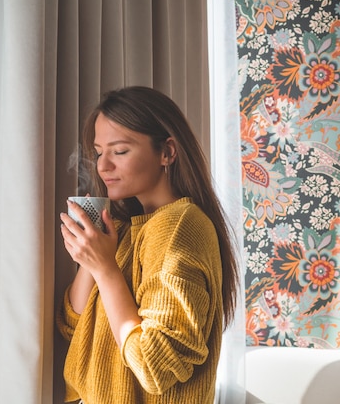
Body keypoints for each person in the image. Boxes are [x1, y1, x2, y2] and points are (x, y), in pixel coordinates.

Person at [57, 86, 239, 403]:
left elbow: (154, 366)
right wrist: (92, 258)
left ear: (167, 152)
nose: (103, 166)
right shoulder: (128, 231)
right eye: (100, 152)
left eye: (120, 151)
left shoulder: (180, 226)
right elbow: (74, 328)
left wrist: (106, 269)